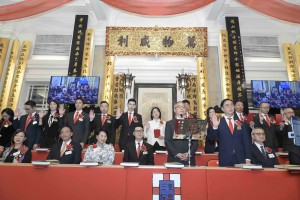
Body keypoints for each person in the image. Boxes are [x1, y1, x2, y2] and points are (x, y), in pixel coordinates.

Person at [208, 99, 251, 167]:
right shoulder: (218, 122)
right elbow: (211, 139)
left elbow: (246, 141)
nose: (230, 107)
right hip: (225, 157)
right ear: (222, 109)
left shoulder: (241, 123)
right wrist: (215, 127)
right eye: (227, 105)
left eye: (231, 105)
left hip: (240, 157)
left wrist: (248, 157)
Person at [165, 101, 198, 166]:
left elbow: (195, 141)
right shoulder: (169, 123)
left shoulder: (191, 123)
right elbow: (167, 141)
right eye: (179, 107)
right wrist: (176, 154)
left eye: (183, 107)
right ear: (174, 110)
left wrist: (189, 153)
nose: (182, 108)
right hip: (174, 158)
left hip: (188, 159)